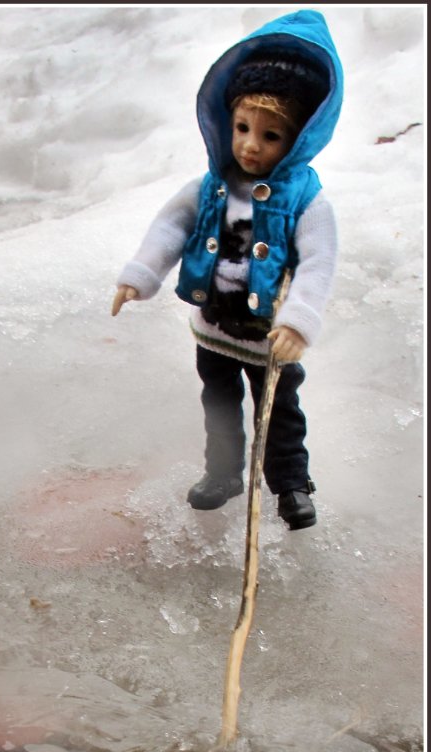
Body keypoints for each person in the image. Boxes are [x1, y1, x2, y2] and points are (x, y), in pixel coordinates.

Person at [112, 9, 343, 530]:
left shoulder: (306, 199)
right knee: (218, 403)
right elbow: (170, 229)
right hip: (213, 328)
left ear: (299, 138)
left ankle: (290, 486)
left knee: (279, 415)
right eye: (242, 128)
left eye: (270, 135)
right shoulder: (210, 185)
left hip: (269, 337)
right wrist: (140, 275)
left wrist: (299, 321)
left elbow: (318, 264)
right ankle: (223, 474)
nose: (250, 145)